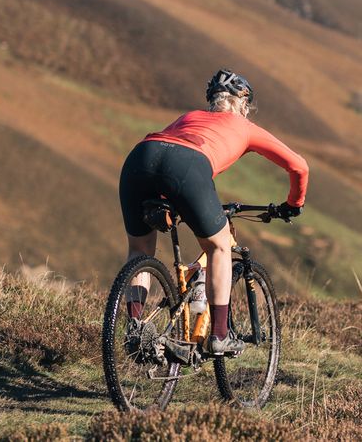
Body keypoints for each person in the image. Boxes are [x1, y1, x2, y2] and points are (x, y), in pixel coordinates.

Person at [118, 68, 309, 355]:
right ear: (242, 104)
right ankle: (219, 335)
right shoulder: (244, 127)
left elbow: (167, 149)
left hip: (140, 156)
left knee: (140, 251)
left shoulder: (189, 117)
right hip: (187, 165)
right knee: (218, 245)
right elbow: (299, 166)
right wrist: (294, 204)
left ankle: (135, 326)